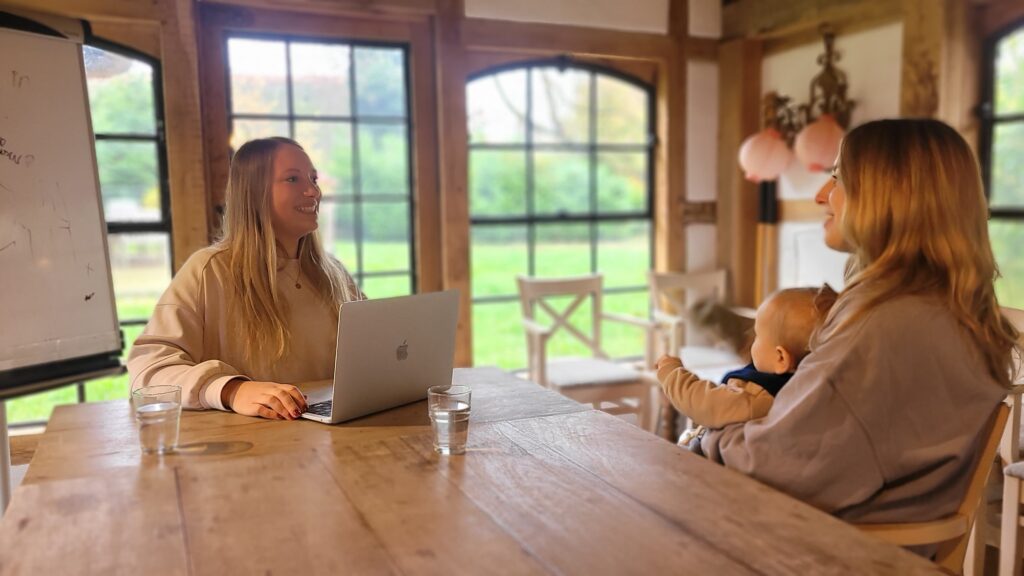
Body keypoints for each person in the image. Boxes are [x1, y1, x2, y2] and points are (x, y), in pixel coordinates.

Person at [700, 119, 1019, 527]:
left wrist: (705, 435)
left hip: (823, 550)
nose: (820, 195)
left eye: (836, 178)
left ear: (888, 196)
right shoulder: (959, 310)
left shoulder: (887, 326)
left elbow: (776, 466)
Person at [128, 137, 364, 420]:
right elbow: (148, 370)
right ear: (254, 193)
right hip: (248, 448)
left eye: (313, 179)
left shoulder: (335, 275)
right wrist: (231, 390)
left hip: (334, 444)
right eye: (293, 179)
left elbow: (374, 354)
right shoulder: (208, 271)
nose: (313, 191)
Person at [656, 285, 836, 449]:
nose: (752, 338)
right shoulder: (811, 389)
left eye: (757, 335)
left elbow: (702, 402)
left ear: (780, 358)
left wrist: (671, 373)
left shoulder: (758, 394)